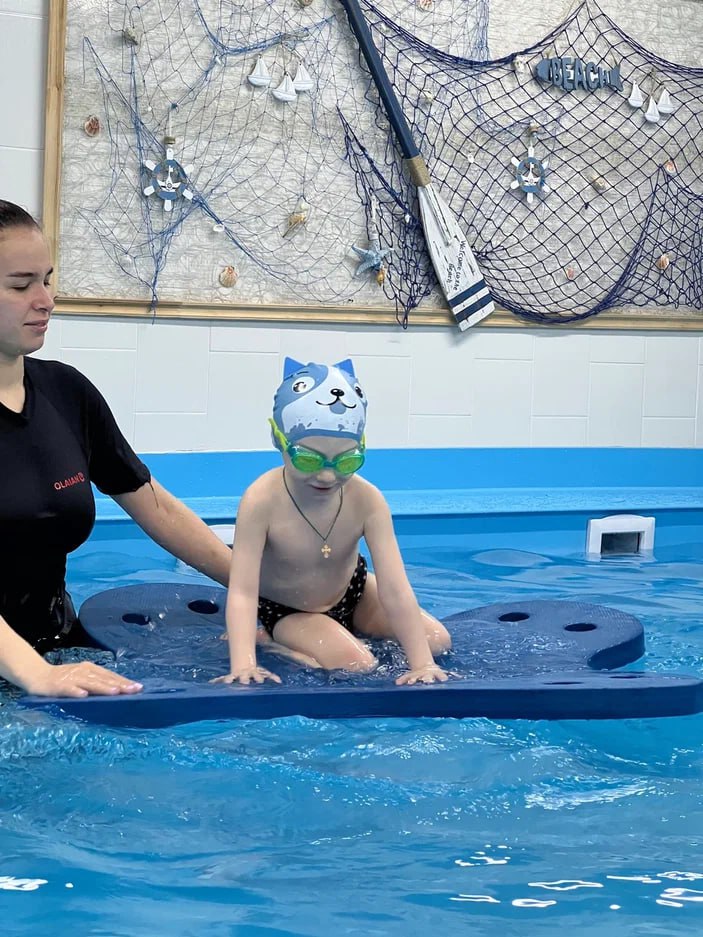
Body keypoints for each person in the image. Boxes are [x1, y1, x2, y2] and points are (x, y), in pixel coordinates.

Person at [0, 199, 233, 699]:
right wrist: (35, 675)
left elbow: (157, 508)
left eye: (47, 279)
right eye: (21, 286)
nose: (46, 300)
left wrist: (259, 588)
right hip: (27, 667)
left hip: (55, 644)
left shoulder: (67, 393)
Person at [213, 357, 452, 687]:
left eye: (347, 460)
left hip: (353, 590)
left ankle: (341, 634)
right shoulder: (261, 501)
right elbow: (242, 591)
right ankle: (270, 639)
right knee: (357, 664)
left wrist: (422, 664)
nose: (327, 475)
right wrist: (243, 662)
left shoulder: (367, 500)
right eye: (309, 459)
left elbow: (396, 589)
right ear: (277, 438)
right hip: (290, 610)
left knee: (436, 641)